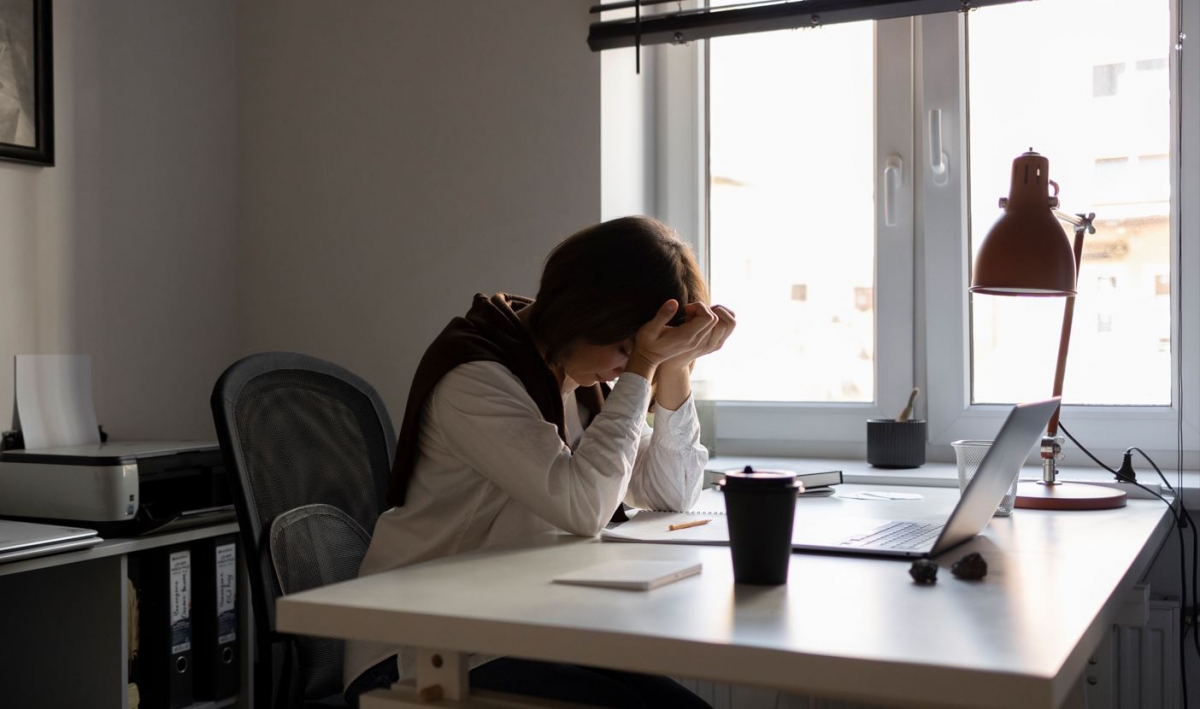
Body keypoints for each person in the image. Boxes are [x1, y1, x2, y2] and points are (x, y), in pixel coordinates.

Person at [344, 216, 735, 708]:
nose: (623, 366)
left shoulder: (581, 378)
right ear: (585, 312)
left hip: (515, 631)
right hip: (419, 649)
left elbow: (670, 494)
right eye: (623, 348)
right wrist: (641, 370)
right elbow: (583, 507)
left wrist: (675, 367)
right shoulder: (476, 375)